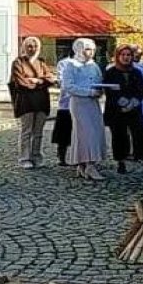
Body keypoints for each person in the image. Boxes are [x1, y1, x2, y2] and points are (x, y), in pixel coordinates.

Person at [104, 45, 143, 175]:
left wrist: (132, 104)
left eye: (128, 55)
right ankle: (121, 162)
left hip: (134, 109)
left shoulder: (136, 72)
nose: (126, 57)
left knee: (141, 135)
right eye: (123, 55)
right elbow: (109, 90)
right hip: (116, 110)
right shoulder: (111, 72)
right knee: (119, 136)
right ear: (118, 56)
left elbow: (141, 89)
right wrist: (122, 104)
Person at [60, 38, 108, 180]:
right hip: (79, 103)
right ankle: (89, 164)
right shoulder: (71, 65)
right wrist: (87, 92)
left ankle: (82, 164)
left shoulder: (94, 66)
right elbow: (68, 86)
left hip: (93, 103)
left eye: (93, 50)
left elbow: (99, 81)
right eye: (87, 49)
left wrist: (100, 91)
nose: (91, 53)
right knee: (86, 133)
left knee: (95, 131)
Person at [10, 36, 56, 169]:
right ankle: (24, 158)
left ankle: (37, 156)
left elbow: (50, 79)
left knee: (38, 132)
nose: (32, 49)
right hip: (26, 101)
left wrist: (37, 81)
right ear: (24, 47)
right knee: (26, 131)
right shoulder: (18, 62)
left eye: (35, 46)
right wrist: (40, 81)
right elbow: (20, 82)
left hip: (41, 101)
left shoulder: (41, 62)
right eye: (29, 46)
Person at [52, 47, 76, 166]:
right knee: (63, 133)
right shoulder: (64, 63)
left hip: (82, 104)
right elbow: (62, 82)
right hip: (66, 104)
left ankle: (79, 156)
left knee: (79, 132)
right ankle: (61, 156)